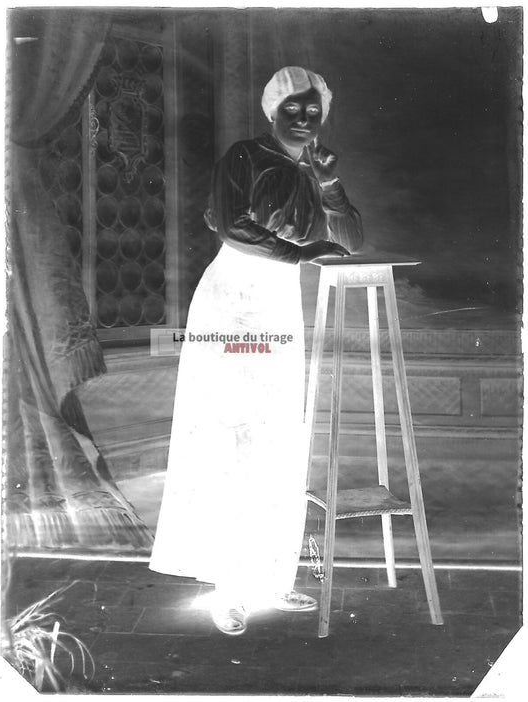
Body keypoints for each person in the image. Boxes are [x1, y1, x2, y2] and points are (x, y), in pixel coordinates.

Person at [149, 66, 363, 635]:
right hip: (231, 308)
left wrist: (331, 185)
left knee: (278, 440)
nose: (303, 118)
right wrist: (301, 253)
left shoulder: (314, 171)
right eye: (292, 107)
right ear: (272, 110)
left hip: (279, 309)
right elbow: (232, 226)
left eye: (312, 110)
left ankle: (271, 579)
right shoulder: (243, 157)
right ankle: (229, 589)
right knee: (232, 440)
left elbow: (350, 241)